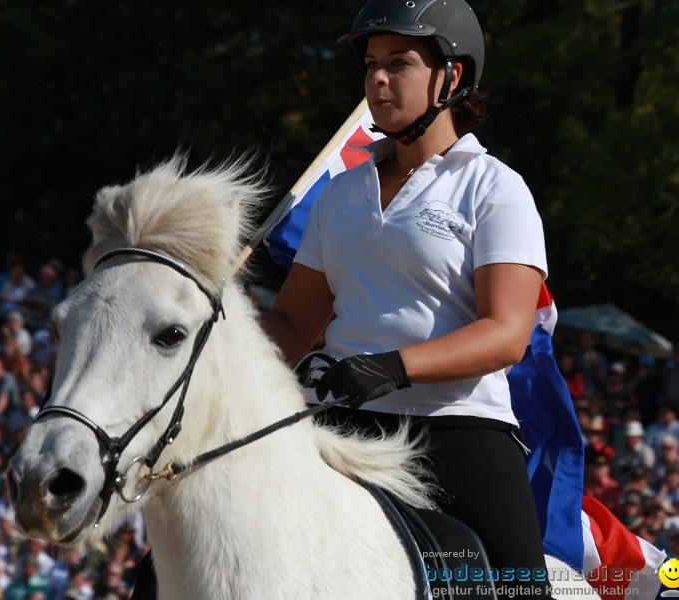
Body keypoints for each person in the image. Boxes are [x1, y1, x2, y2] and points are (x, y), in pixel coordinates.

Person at [262, 2, 553, 597]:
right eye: (370, 64)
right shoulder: (341, 191)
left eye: (399, 63)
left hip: (456, 428)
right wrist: (214, 349)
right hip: (340, 422)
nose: (377, 80)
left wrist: (391, 369)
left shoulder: (495, 187)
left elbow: (506, 332)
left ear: (452, 76)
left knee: (523, 586)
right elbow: (293, 321)